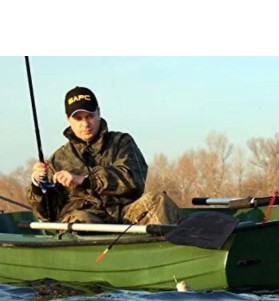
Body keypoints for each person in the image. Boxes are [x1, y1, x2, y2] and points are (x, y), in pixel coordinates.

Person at [27, 86, 179, 225]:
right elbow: (47, 216)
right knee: (79, 220)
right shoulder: (58, 160)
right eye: (78, 118)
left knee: (159, 201)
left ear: (99, 113)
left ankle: (162, 245)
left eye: (90, 116)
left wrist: (85, 180)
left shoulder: (122, 142)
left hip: (125, 214)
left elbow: (134, 180)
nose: (85, 123)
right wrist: (37, 186)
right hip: (86, 220)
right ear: (68, 119)